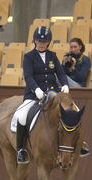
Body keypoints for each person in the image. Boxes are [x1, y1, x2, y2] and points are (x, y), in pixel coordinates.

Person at [15, 26, 70, 164]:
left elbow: (60, 73)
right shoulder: (29, 57)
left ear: (48, 42)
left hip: (53, 93)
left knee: (71, 110)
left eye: (44, 41)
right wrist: (36, 89)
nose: (41, 43)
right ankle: (21, 150)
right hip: (34, 95)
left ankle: (79, 144)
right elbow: (28, 76)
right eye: (39, 41)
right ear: (34, 41)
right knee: (21, 117)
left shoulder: (52, 56)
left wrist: (65, 84)